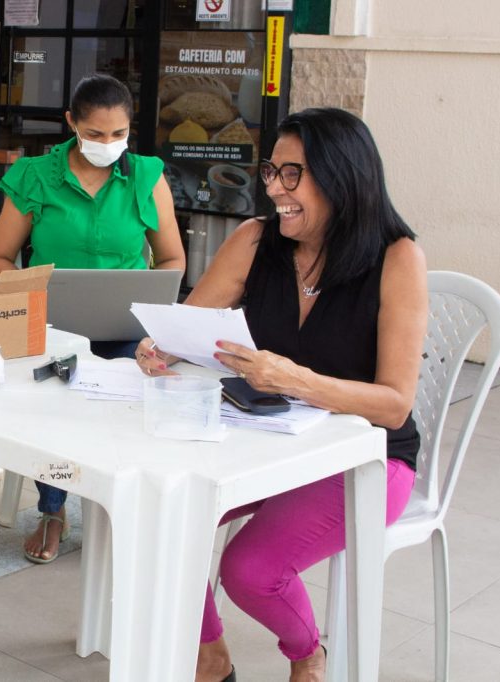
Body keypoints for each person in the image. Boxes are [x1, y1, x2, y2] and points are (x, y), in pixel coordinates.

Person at [135, 107, 427, 682]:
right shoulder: (254, 240)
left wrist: (295, 379)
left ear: (341, 175)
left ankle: (306, 653)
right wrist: (159, 347)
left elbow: (394, 402)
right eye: (272, 171)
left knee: (249, 569)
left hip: (367, 456)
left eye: (292, 174)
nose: (273, 188)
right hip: (264, 440)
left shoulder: (397, 258)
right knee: (162, 512)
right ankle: (209, 656)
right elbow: (188, 326)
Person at [0, 73, 186, 565]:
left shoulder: (145, 175)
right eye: (95, 134)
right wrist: (34, 294)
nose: (108, 144)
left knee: (152, 386)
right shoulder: (37, 175)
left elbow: (172, 260)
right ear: (71, 123)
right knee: (50, 390)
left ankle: (124, 504)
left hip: (126, 328)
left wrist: (157, 316)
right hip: (52, 325)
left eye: (118, 134)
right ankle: (52, 510)